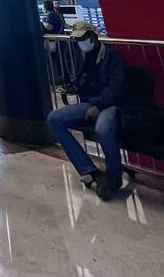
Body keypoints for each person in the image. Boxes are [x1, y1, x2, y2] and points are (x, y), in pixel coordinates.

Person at [46, 20, 126, 201]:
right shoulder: (81, 56)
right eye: (77, 40)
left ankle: (114, 178)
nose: (79, 43)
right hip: (89, 103)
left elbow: (115, 88)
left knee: (103, 130)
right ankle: (88, 169)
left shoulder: (112, 57)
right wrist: (74, 88)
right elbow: (84, 81)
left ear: (92, 36)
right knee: (54, 119)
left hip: (109, 105)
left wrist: (98, 105)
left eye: (82, 39)